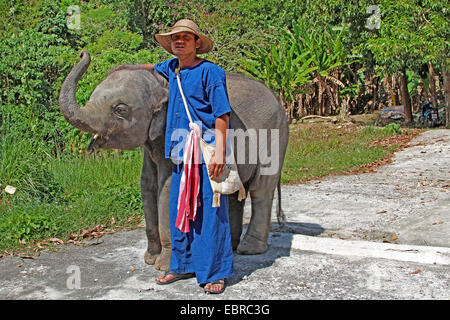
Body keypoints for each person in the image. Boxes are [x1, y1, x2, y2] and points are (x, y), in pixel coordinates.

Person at [116, 19, 234, 294]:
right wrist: (125, 69)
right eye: (174, 38)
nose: (178, 41)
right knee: (180, 211)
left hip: (204, 154)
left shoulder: (211, 72)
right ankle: (182, 264)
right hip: (180, 155)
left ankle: (214, 272)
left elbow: (222, 115)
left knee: (210, 213)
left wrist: (218, 152)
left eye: (185, 37)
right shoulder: (172, 69)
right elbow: (150, 68)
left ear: (197, 43)